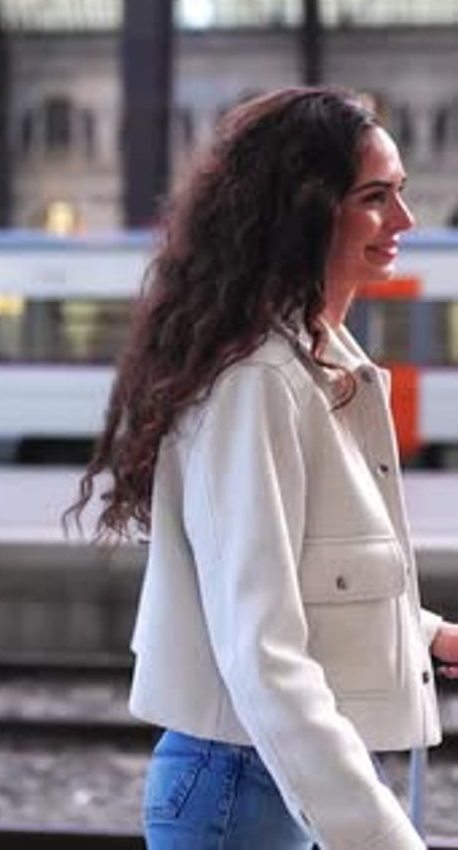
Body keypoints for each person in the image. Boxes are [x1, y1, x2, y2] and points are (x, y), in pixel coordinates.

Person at [71, 86, 458, 849]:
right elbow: (261, 648)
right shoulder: (258, 385)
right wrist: (382, 839)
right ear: (306, 210)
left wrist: (431, 635)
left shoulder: (321, 367)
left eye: (401, 195)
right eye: (376, 198)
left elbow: (300, 589)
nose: (404, 222)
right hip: (242, 794)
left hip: (271, 780)